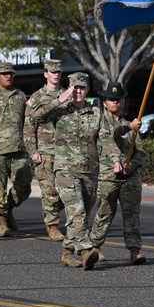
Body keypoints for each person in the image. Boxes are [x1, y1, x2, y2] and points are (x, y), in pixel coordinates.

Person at [50, 72, 123, 270]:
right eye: (75, 88)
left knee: (80, 215)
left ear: (88, 90)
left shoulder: (96, 113)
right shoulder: (59, 110)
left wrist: (116, 158)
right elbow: (35, 115)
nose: (78, 92)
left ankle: (67, 253)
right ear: (69, 88)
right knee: (77, 210)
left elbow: (106, 138)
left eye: (82, 88)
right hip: (65, 169)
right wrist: (59, 99)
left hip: (90, 171)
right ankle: (86, 250)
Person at [90, 81, 147, 265]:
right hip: (108, 177)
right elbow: (110, 135)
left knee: (132, 215)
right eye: (111, 99)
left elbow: (141, 152)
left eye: (118, 99)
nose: (115, 102)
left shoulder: (131, 125)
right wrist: (130, 127)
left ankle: (134, 250)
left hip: (129, 178)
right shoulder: (100, 123)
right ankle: (95, 248)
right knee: (105, 212)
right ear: (104, 102)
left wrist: (133, 164)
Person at [0, 61, 32, 237]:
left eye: (11, 74)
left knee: (24, 185)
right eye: (5, 74)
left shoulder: (20, 96)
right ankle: (1, 221)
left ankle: (9, 207)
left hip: (18, 148)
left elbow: (27, 122)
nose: (8, 76)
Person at [25, 59, 66, 240]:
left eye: (58, 72)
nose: (56, 74)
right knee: (49, 191)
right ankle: (53, 226)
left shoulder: (68, 95)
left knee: (67, 193)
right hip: (45, 152)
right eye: (52, 71)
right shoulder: (36, 98)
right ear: (46, 74)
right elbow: (29, 127)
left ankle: (51, 214)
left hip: (66, 153)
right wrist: (33, 150)